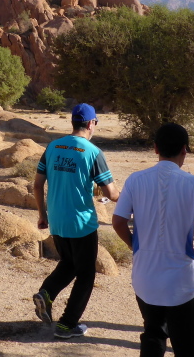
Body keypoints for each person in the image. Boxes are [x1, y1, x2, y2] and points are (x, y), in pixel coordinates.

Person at [113, 123, 194, 357]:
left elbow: (118, 222)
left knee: (153, 336)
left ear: (155, 148)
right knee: (186, 345)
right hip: (180, 282)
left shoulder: (135, 180)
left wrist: (135, 246)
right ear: (184, 150)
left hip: (145, 278)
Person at [32, 103, 119, 339]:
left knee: (69, 264)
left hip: (57, 220)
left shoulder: (53, 146)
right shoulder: (92, 152)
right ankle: (67, 325)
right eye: (95, 123)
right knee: (86, 275)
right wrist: (130, 198)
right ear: (91, 123)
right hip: (81, 223)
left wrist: (42, 215)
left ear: (73, 122)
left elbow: (37, 184)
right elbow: (111, 193)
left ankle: (46, 293)